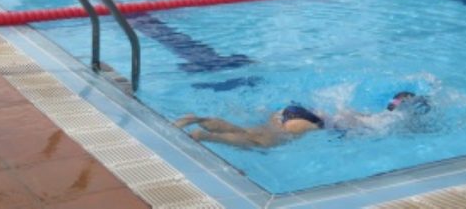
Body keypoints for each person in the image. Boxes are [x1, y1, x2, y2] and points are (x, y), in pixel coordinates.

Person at [177, 92, 430, 149]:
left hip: (292, 111)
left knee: (250, 131)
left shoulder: (367, 112)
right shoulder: (383, 122)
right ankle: (204, 136)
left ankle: (197, 119)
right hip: (305, 122)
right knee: (260, 143)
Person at [175, 104, 325, 149]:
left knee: (242, 131)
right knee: (253, 142)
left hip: (285, 112)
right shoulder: (313, 121)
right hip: (295, 124)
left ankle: (198, 119)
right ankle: (205, 136)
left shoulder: (314, 109)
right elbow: (327, 126)